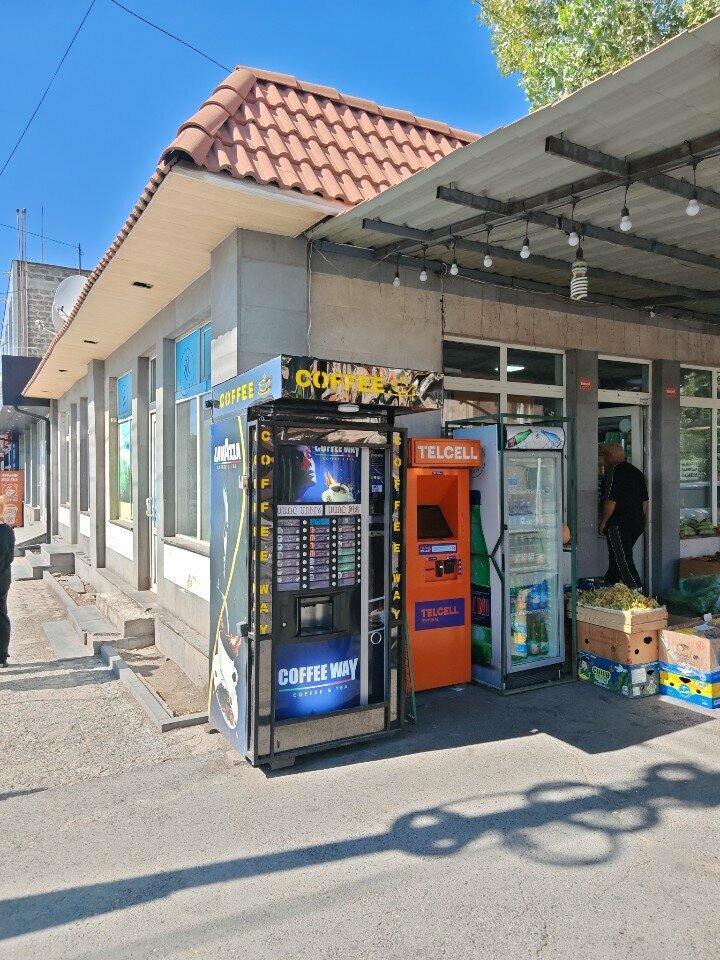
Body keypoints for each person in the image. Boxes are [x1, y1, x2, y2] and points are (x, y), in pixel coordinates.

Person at [598, 443, 648, 590]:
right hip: (638, 522)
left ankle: (637, 592)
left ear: (609, 455)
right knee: (617, 557)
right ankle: (607, 587)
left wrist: (604, 521)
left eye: (604, 456)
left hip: (619, 523)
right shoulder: (637, 472)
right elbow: (645, 502)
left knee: (622, 559)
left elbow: (611, 501)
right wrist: (639, 518)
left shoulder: (614, 472)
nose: (604, 459)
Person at [0, 497, 14, 667]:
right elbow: (10, 557)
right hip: (3, 579)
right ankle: (2, 656)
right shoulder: (8, 531)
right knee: (1, 615)